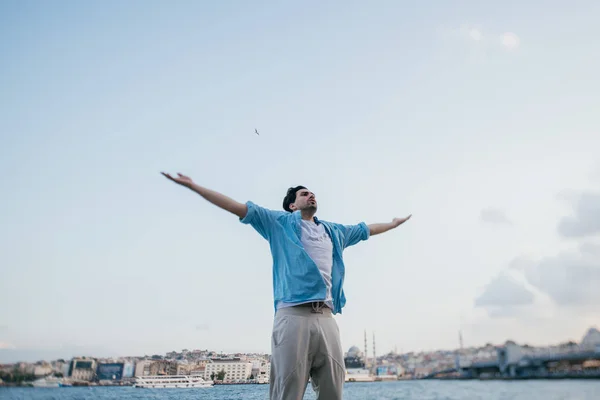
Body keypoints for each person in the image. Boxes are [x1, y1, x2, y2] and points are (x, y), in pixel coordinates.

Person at [161, 172, 411, 400]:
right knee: (287, 391)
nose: (311, 195)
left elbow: (366, 229)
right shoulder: (278, 223)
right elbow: (236, 207)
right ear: (292, 205)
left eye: (312, 193)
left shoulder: (334, 231)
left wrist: (393, 224)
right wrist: (195, 187)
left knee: (333, 389)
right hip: (293, 316)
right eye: (304, 194)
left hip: (326, 317)